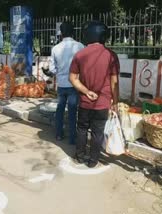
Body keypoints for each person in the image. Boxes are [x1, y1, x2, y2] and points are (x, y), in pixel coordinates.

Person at [69, 21, 119, 168]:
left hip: (84, 102)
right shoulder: (111, 55)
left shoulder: (79, 55)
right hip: (102, 103)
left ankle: (79, 156)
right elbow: (114, 82)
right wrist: (115, 102)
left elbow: (72, 78)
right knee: (98, 132)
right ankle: (93, 161)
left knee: (82, 129)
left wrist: (86, 92)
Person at [42, 21, 84, 145]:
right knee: (72, 112)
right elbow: (84, 67)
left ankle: (59, 134)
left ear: (61, 33)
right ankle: (72, 138)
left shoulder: (55, 48)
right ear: (73, 32)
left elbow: (53, 70)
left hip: (61, 85)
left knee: (60, 110)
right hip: (74, 85)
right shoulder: (80, 46)